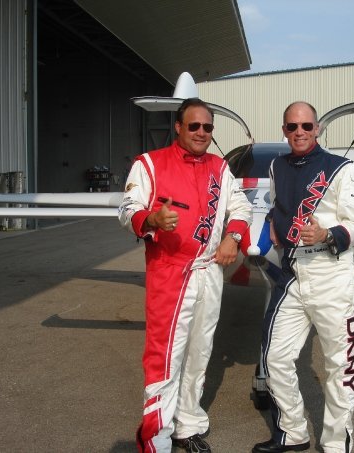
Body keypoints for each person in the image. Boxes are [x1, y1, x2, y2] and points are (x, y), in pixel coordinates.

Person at [118, 98, 252, 453]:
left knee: (200, 352)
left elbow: (241, 207)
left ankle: (187, 424)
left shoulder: (220, 167)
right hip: (169, 273)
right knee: (165, 357)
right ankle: (156, 439)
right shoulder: (149, 164)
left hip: (209, 272)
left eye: (208, 127)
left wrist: (233, 237)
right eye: (194, 126)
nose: (202, 133)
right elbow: (127, 208)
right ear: (178, 127)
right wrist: (152, 219)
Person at [253, 102, 354, 453]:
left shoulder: (342, 168)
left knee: (339, 367)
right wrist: (272, 221)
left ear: (317, 129)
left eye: (305, 126)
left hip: (331, 273)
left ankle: (335, 445)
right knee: (275, 359)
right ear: (284, 130)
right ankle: (293, 432)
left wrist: (327, 234)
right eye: (291, 126)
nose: (298, 132)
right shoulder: (276, 165)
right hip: (292, 274)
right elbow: (278, 203)